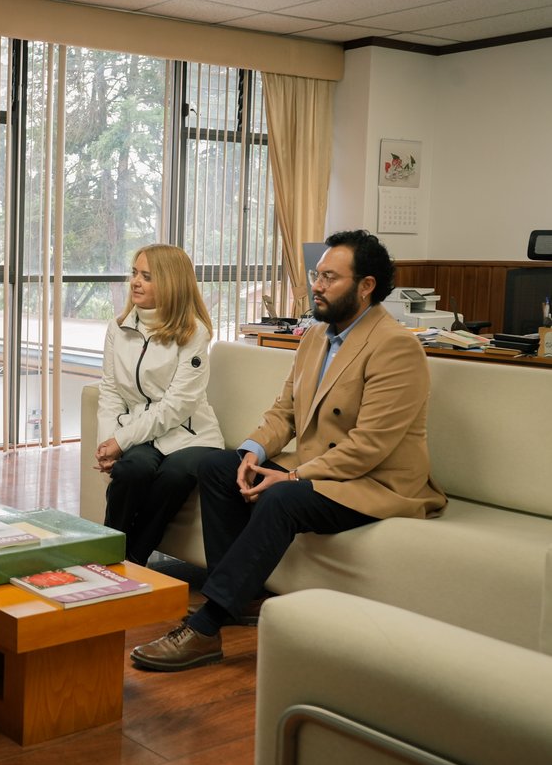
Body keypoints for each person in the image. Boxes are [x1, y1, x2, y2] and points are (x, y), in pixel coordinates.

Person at [130, 230, 446, 672]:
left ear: (366, 286)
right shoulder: (316, 336)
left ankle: (206, 627)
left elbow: (369, 446)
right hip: (321, 469)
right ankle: (242, 597)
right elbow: (285, 412)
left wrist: (294, 476)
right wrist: (253, 453)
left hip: (376, 482)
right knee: (219, 467)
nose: (317, 285)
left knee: (281, 497)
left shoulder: (396, 347)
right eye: (317, 275)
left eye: (330, 278)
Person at [94, 244, 224, 566]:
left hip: (191, 436)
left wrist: (122, 439)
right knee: (131, 470)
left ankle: (130, 562)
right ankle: (108, 554)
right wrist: (107, 442)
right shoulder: (118, 328)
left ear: (170, 283)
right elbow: (110, 391)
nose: (135, 282)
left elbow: (176, 406)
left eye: (147, 276)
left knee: (174, 476)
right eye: (134, 273)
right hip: (143, 433)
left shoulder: (193, 332)